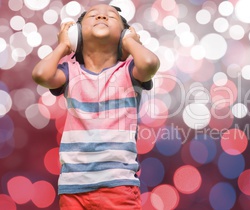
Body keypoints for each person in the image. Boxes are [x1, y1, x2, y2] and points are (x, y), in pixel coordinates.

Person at [32, 4, 160, 210]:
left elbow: (149, 62)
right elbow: (41, 75)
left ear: (123, 35)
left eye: (111, 16)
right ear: (77, 35)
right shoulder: (70, 71)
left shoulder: (129, 72)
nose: (101, 15)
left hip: (119, 185)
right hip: (73, 187)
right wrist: (64, 46)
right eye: (93, 15)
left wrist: (130, 41)